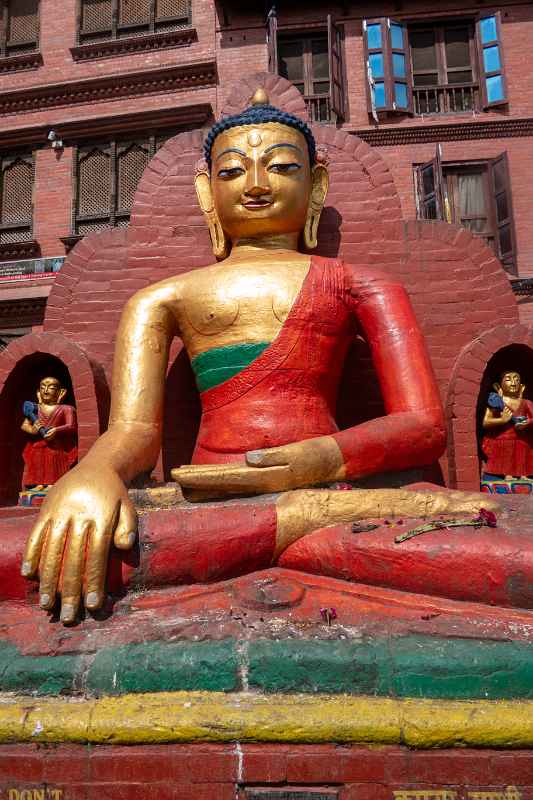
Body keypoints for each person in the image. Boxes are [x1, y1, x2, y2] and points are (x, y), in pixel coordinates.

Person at [20, 91, 492, 624]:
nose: (258, 185)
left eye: (283, 167)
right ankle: (288, 530)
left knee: (490, 546)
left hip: (336, 494)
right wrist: (94, 474)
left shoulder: (362, 284)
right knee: (35, 548)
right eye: (233, 172)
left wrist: (317, 459)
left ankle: (286, 528)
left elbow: (423, 425)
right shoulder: (161, 298)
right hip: (207, 501)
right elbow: (134, 431)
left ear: (315, 185)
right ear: (207, 191)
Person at [20, 376, 77, 491]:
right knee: (38, 459)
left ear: (60, 392)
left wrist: (56, 430)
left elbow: (71, 426)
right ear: (38, 392)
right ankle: (39, 484)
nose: (46, 390)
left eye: (51, 388)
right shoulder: (36, 409)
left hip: (57, 445)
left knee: (53, 459)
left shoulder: (66, 409)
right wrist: (33, 430)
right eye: (43, 387)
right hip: (39, 444)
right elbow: (24, 425)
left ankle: (54, 485)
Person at [481, 370, 533, 480]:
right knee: (506, 454)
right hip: (503, 439)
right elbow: (486, 422)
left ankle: (523, 475)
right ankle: (507, 475)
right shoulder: (496, 401)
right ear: (497, 386)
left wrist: (527, 423)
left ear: (522, 387)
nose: (513, 383)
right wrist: (503, 419)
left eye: (516, 379)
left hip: (522, 439)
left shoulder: (526, 403)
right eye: (508, 379)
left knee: (522, 454)